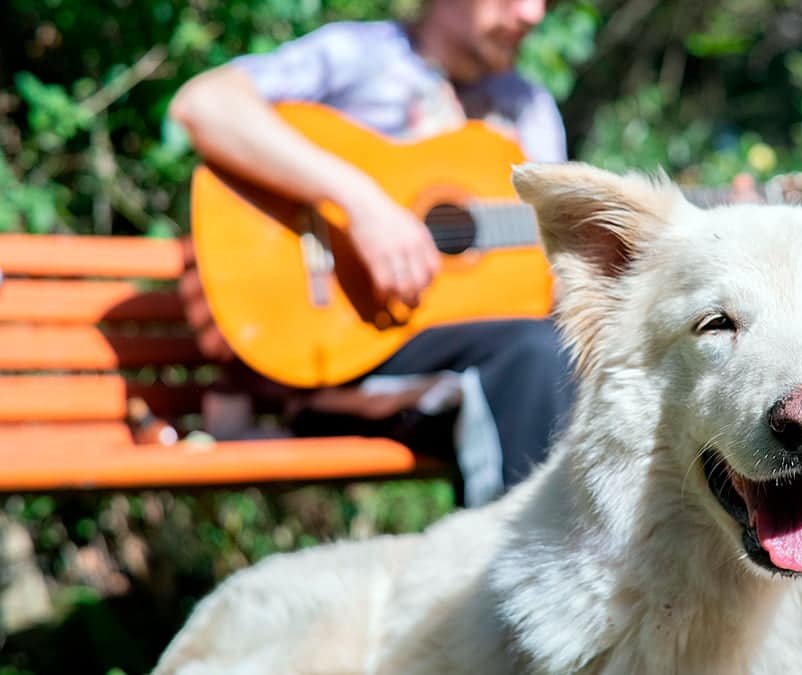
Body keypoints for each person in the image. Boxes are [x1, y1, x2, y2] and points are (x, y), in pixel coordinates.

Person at [169, 0, 572, 507]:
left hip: (484, 357)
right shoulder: (358, 56)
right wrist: (360, 203)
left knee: (556, 354)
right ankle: (515, 576)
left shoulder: (527, 107)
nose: (533, 14)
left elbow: (557, 269)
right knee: (531, 356)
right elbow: (204, 105)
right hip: (343, 363)